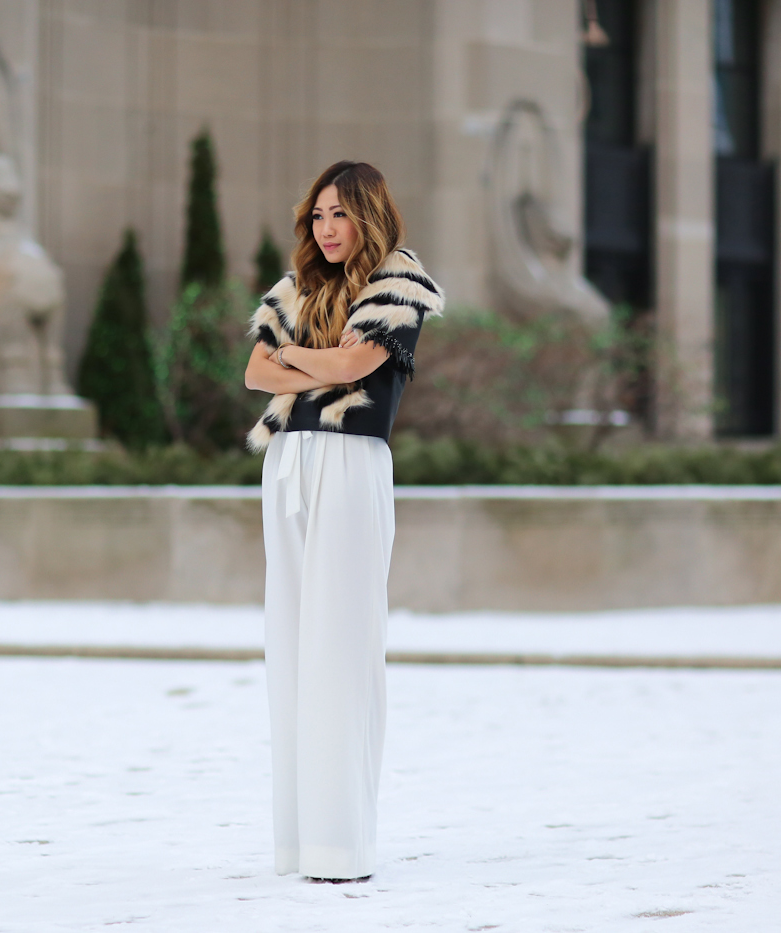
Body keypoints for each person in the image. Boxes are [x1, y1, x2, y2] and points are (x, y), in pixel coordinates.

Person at [243, 161, 444, 882]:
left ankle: (340, 845)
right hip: (288, 465)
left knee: (342, 648)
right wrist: (321, 366)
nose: (326, 228)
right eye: (317, 215)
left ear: (368, 214)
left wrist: (297, 358)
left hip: (352, 466)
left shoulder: (401, 282)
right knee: (291, 648)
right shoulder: (297, 288)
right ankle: (299, 845)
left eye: (339, 214)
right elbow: (254, 374)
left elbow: (361, 358)